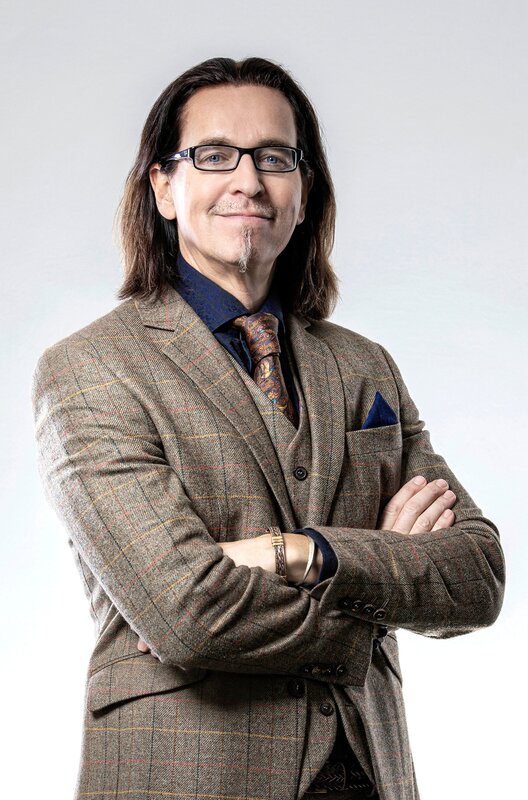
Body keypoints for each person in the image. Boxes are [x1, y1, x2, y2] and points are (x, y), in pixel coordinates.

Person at [32, 57, 505, 800]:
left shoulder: (364, 366)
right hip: (187, 778)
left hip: (369, 773)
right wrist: (380, 586)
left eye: (275, 158)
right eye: (214, 155)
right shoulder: (91, 368)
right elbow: (187, 612)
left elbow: (477, 576)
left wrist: (300, 554)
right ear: (163, 186)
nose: (249, 181)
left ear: (304, 191)